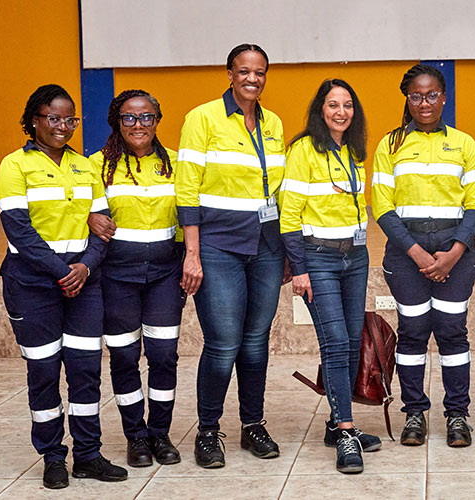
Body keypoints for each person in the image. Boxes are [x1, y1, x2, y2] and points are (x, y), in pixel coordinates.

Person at [0, 84, 127, 488]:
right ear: (34, 119)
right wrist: (62, 271)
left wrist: (84, 269)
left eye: (70, 119)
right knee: (45, 372)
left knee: (86, 372)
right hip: (32, 286)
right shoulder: (14, 165)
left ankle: (88, 454)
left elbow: (102, 225)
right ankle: (53, 456)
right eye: (53, 118)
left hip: (84, 286)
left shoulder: (85, 166)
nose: (63, 126)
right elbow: (18, 229)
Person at [176, 43, 287, 468]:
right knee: (223, 345)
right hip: (218, 246)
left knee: (257, 344)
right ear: (229, 73)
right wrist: (192, 253)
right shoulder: (202, 118)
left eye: (259, 72)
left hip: (266, 246)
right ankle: (208, 431)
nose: (252, 79)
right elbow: (186, 189)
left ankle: (252, 424)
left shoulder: (273, 123)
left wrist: (287, 250)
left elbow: (277, 190)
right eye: (244, 71)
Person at [372, 63, 475, 448]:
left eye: (432, 94)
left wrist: (453, 254)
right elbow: (383, 208)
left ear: (444, 97)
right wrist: (418, 254)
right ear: (407, 98)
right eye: (416, 95)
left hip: (458, 253)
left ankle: (457, 415)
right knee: (414, 333)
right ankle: (415, 414)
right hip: (407, 255)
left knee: (453, 333)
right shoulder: (390, 145)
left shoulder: (465, 144)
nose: (424, 102)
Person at [281, 78, 381, 473]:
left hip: (356, 257)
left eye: (348, 105)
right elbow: (289, 215)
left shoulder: (353, 151)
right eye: (333, 105)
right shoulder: (303, 150)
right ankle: (345, 431)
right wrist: (300, 269)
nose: (341, 112)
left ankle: (334, 423)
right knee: (336, 342)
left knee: (352, 342)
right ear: (320, 110)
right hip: (318, 258)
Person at [87, 90, 183, 468]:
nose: (138, 125)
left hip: (164, 276)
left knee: (163, 356)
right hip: (116, 277)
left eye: (146, 117)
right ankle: (136, 436)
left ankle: (160, 433)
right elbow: (77, 206)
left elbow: (189, 217)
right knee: (125, 357)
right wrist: (89, 217)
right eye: (129, 117)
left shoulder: (176, 164)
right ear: (116, 121)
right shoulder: (97, 166)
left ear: (157, 120)